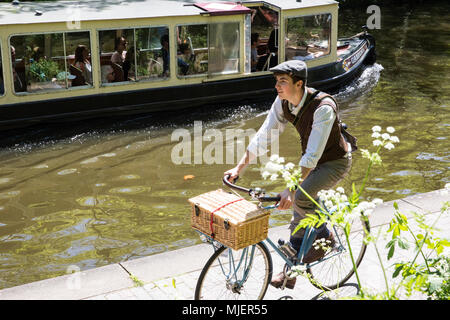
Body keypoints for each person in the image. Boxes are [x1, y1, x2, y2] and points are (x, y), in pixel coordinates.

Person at [224, 60, 356, 290]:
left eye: (283, 81)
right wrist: (238, 168)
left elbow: (312, 156)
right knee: (297, 212)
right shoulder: (283, 102)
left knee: (301, 198)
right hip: (311, 162)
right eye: (276, 81)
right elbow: (264, 135)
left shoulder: (323, 107)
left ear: (299, 84)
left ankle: (326, 237)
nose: (277, 86)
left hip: (334, 163)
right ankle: (292, 270)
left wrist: (292, 190)